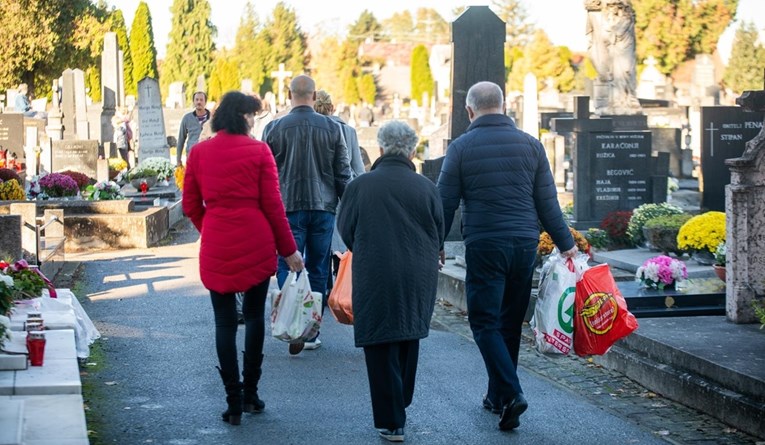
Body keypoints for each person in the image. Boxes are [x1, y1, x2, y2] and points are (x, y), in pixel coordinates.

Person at [437, 81, 577, 431]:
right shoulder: (532, 146)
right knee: (509, 322)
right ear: (503, 106)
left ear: (469, 111)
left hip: (485, 243)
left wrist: (435, 241)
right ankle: (497, 396)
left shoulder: (461, 148)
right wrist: (566, 245)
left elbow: (445, 202)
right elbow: (547, 203)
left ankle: (512, 393)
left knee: (484, 322)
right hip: (524, 243)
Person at [182, 91, 304, 426]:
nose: (254, 121)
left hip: (217, 242)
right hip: (256, 238)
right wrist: (289, 250)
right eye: (252, 115)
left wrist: (211, 227)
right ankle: (251, 394)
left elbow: (190, 204)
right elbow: (273, 207)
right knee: (253, 317)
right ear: (243, 117)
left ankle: (232, 402)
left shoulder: (200, 153)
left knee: (223, 322)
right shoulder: (259, 151)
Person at [337, 121, 444, 443]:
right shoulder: (427, 187)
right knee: (408, 337)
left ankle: (391, 419)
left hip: (376, 270)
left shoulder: (360, 186)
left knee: (379, 342)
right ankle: (400, 403)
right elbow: (439, 231)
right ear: (412, 151)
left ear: (381, 149)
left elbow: (346, 231)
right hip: (418, 272)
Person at [262, 75, 351, 354]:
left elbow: (265, 174)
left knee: (286, 263)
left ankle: (290, 322)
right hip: (323, 207)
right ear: (314, 97)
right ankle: (311, 331)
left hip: (286, 207)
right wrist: (348, 206)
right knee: (318, 267)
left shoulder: (274, 129)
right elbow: (343, 172)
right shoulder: (332, 128)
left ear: (290, 96)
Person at [313, 90, 365, 294]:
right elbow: (358, 167)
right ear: (332, 107)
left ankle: (324, 288)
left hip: (321, 194)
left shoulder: (313, 129)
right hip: (344, 193)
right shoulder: (348, 131)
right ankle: (340, 287)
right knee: (341, 245)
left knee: (322, 244)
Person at [176, 91, 211, 166]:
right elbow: (181, 139)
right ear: (193, 102)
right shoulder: (187, 118)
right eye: (197, 99)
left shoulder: (213, 118)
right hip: (191, 157)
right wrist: (178, 160)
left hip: (209, 157)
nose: (199, 102)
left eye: (201, 100)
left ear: (205, 102)